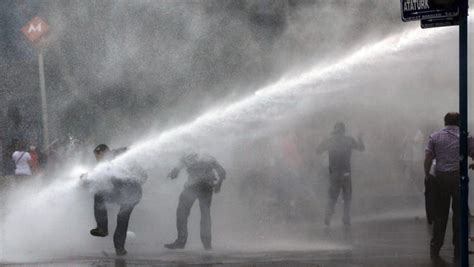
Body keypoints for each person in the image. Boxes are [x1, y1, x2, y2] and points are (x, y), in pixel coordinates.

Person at [81, 144, 147, 256]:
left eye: (98, 156)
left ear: (102, 152)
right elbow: (98, 177)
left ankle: (111, 239)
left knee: (121, 217)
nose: (97, 159)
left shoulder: (116, 157)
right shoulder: (107, 163)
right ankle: (113, 242)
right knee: (118, 215)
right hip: (125, 194)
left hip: (131, 194)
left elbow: (143, 175)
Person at [424, 112, 473, 260]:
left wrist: (427, 175)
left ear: (445, 122)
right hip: (459, 178)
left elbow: (428, 158)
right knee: (459, 214)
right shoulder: (465, 137)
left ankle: (435, 248)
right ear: (459, 122)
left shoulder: (435, 136)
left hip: (440, 179)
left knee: (440, 215)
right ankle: (459, 247)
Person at [164, 152, 226, 250]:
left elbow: (176, 171)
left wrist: (173, 174)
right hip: (206, 187)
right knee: (205, 214)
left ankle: (181, 242)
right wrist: (219, 184)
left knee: (182, 213)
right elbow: (222, 172)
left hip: (193, 187)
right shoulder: (208, 157)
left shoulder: (187, 157)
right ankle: (207, 244)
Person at [316, 122, 364, 226]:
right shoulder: (349, 140)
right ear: (343, 131)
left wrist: (323, 140)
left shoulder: (330, 141)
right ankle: (346, 218)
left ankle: (327, 217)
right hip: (346, 174)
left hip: (334, 174)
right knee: (347, 198)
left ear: (335, 131)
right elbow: (362, 148)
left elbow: (318, 151)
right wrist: (360, 138)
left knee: (332, 197)